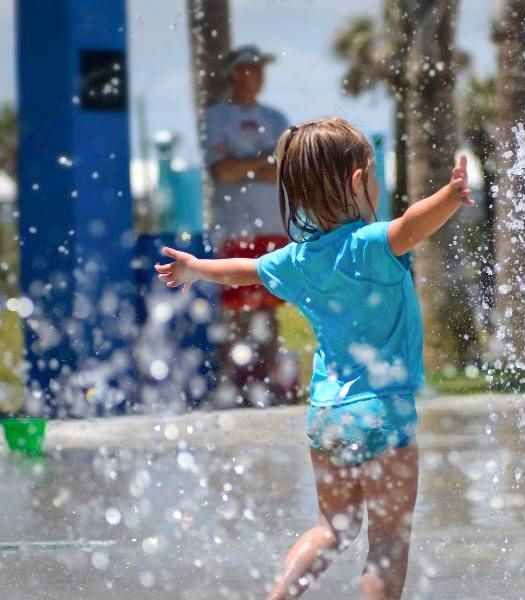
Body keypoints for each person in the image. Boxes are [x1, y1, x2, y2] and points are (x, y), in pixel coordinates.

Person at [155, 117, 474, 599]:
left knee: (332, 526)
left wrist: (195, 268)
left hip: (326, 416)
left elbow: (244, 271)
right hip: (382, 413)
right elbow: (412, 225)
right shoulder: (369, 245)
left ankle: (279, 595)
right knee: (386, 540)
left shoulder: (297, 259)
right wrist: (450, 197)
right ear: (358, 180)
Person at [203, 44, 292, 406]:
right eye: (249, 68)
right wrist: (260, 164)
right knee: (235, 311)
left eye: (259, 69)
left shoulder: (276, 117)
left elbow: (284, 169)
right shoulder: (217, 117)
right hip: (235, 228)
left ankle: (271, 386)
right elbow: (221, 170)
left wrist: (246, 165)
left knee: (268, 310)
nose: (255, 75)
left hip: (272, 227)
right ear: (235, 73)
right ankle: (233, 388)